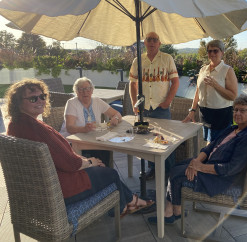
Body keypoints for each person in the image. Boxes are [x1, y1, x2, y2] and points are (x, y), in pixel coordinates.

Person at [5, 78, 154, 217]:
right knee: (111, 174)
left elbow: (62, 157)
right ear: (18, 102)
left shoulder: (15, 125)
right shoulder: (37, 129)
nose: (40, 101)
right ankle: (126, 205)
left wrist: (86, 160)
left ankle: (130, 201)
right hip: (62, 189)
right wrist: (91, 162)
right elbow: (71, 163)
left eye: (42, 96)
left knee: (101, 167)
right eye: (33, 98)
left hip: (42, 187)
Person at [148, 94, 247, 224]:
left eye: (243, 110)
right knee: (176, 167)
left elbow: (231, 169)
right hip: (210, 164)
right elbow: (210, 147)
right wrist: (196, 161)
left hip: (222, 180)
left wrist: (199, 167)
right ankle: (173, 211)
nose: (237, 113)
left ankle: (174, 212)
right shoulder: (233, 129)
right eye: (235, 110)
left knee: (176, 175)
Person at [129, 31, 180, 179]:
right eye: (149, 39)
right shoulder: (137, 61)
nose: (151, 42)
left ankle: (169, 174)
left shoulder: (167, 58)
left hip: (160, 108)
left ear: (159, 43)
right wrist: (134, 103)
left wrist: (167, 102)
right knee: (146, 140)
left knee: (167, 140)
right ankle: (152, 171)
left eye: (155, 40)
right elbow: (132, 84)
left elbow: (175, 82)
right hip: (143, 108)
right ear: (144, 42)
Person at [183, 39, 238, 143]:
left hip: (220, 116)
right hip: (204, 114)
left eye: (215, 51)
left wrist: (216, 85)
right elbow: (198, 91)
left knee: (215, 149)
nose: (212, 53)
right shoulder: (203, 70)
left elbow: (233, 96)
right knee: (208, 144)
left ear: (222, 52)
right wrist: (192, 110)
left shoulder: (227, 70)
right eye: (209, 51)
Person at [59, 77, 122, 167]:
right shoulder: (72, 103)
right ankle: (95, 173)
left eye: (88, 89)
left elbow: (117, 113)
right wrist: (84, 129)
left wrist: (115, 118)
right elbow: (69, 128)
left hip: (94, 138)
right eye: (81, 90)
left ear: (92, 90)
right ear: (76, 92)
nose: (85, 92)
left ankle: (105, 171)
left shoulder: (97, 101)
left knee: (106, 147)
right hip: (75, 140)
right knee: (99, 151)